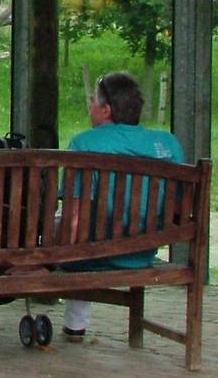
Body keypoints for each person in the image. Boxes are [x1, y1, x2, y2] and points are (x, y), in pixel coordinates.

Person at [60, 71, 184, 341]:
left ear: (105, 110)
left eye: (93, 101)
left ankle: (76, 325)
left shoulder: (84, 143)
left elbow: (75, 214)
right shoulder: (168, 144)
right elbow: (177, 208)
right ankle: (75, 326)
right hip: (144, 249)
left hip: (94, 253)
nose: (90, 106)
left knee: (73, 233)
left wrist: (60, 252)